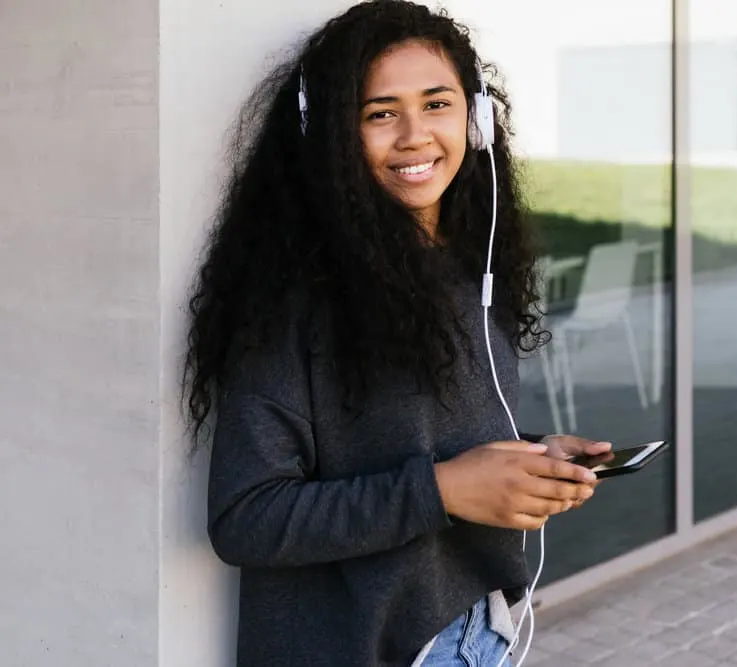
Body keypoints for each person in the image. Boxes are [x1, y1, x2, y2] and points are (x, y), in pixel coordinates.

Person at [183, 1, 612, 665]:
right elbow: (247, 516)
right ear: (327, 130)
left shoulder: (472, 264)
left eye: (437, 104)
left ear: (475, 120)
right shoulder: (297, 300)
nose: (414, 134)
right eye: (380, 112)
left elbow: (411, 443)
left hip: (477, 628)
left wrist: (523, 460)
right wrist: (444, 489)